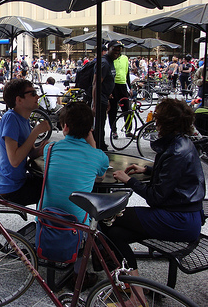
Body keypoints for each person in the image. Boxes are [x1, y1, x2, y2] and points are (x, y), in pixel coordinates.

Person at [106, 99, 205, 288]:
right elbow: (177, 175)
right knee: (116, 233)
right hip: (184, 215)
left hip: (179, 219)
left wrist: (130, 181)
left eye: (157, 118)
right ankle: (133, 288)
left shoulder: (176, 151)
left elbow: (155, 197)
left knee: (108, 217)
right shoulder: (181, 143)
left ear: (165, 123)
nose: (154, 122)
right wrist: (148, 170)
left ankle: (126, 281)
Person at [42, 102, 108, 288]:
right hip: (77, 221)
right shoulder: (98, 156)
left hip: (46, 213)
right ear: (90, 129)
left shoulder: (50, 149)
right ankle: (80, 273)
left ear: (65, 127)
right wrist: (91, 139)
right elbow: (101, 175)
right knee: (94, 219)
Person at [0, 79, 51, 206]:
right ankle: (45, 225)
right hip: (10, 189)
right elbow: (14, 160)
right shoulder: (11, 118)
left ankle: (44, 224)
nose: (37, 96)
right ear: (19, 100)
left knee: (53, 183)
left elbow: (30, 153)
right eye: (32, 93)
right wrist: (36, 132)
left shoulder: (24, 119)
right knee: (53, 191)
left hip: (19, 181)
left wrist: (41, 149)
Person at [92, 41, 121, 151]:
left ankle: (100, 144)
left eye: (118, 51)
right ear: (108, 49)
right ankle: (98, 147)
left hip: (104, 97)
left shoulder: (110, 62)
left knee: (101, 124)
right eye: (114, 50)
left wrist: (108, 96)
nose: (117, 52)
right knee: (99, 125)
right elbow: (96, 84)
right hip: (99, 99)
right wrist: (95, 104)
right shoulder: (104, 63)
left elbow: (106, 82)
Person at [109, 52, 131, 139]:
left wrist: (130, 87)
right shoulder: (111, 59)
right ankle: (113, 131)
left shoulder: (125, 58)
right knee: (113, 110)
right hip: (113, 85)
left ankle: (128, 130)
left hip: (122, 85)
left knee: (127, 109)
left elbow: (127, 73)